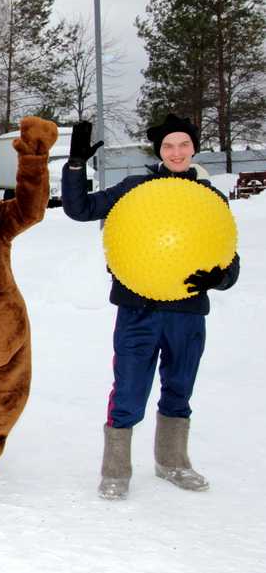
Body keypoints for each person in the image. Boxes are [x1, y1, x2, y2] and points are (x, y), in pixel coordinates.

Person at [61, 116, 240, 500]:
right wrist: (76, 165)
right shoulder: (135, 189)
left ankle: (172, 462)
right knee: (129, 387)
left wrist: (218, 278)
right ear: (159, 151)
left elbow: (229, 258)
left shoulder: (211, 197)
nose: (176, 152)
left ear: (193, 148)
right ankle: (115, 470)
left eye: (183, 145)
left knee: (179, 385)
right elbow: (80, 209)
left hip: (188, 311)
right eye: (168, 146)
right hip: (138, 309)